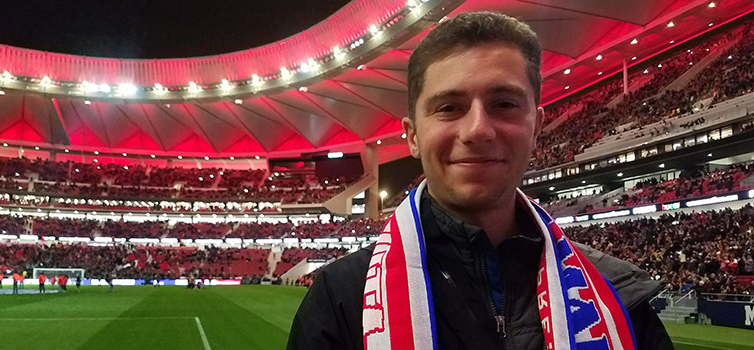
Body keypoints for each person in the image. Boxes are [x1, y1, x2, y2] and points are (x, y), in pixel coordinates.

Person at [287, 12, 673, 350]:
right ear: (413, 136)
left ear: (536, 127)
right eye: (449, 108)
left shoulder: (617, 294)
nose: (477, 130)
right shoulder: (341, 300)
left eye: (503, 104)